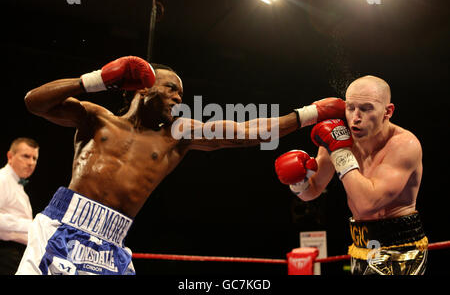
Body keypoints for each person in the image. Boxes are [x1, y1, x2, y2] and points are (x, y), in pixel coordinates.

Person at [17, 55, 345, 275]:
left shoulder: (178, 135)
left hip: (112, 242)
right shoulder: (96, 118)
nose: (179, 98)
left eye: (182, 94)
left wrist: (309, 113)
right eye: (172, 88)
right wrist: (97, 80)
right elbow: (35, 101)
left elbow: (247, 132)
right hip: (62, 226)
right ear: (144, 88)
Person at [275, 75, 427, 275]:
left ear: (387, 111)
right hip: (360, 246)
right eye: (351, 107)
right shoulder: (339, 134)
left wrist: (340, 152)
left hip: (399, 249)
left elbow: (368, 203)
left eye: (366, 108)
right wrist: (297, 181)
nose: (356, 117)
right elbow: (312, 191)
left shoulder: (404, 145)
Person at [0, 137, 39, 275]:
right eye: (26, 156)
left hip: (17, 253)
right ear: (10, 156)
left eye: (34, 158)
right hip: (6, 253)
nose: (31, 163)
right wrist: (31, 225)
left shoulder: (18, 186)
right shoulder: (2, 179)